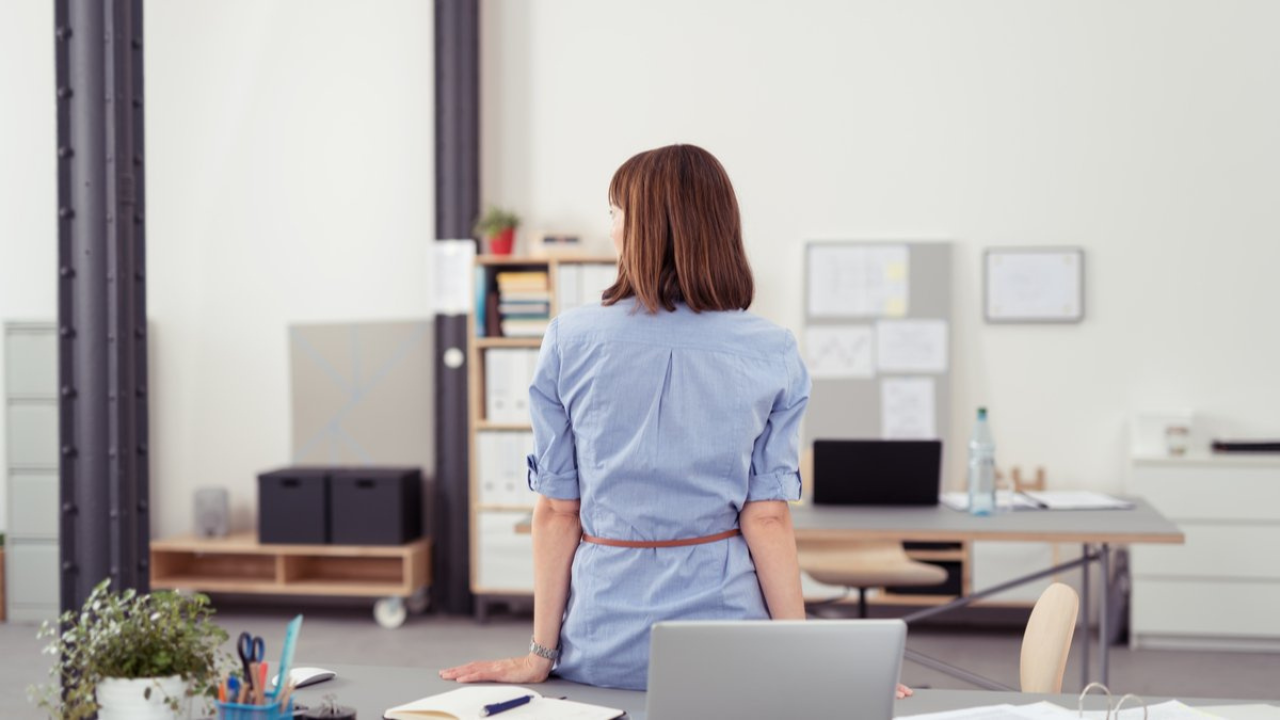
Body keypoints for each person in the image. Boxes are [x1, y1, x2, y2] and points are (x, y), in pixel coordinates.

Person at [441, 144, 911, 698]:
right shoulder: (772, 351)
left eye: (615, 213)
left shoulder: (569, 340)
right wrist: (802, 658)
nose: (610, 228)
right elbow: (767, 521)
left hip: (601, 645)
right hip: (729, 649)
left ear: (642, 229)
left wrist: (539, 656)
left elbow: (555, 512)